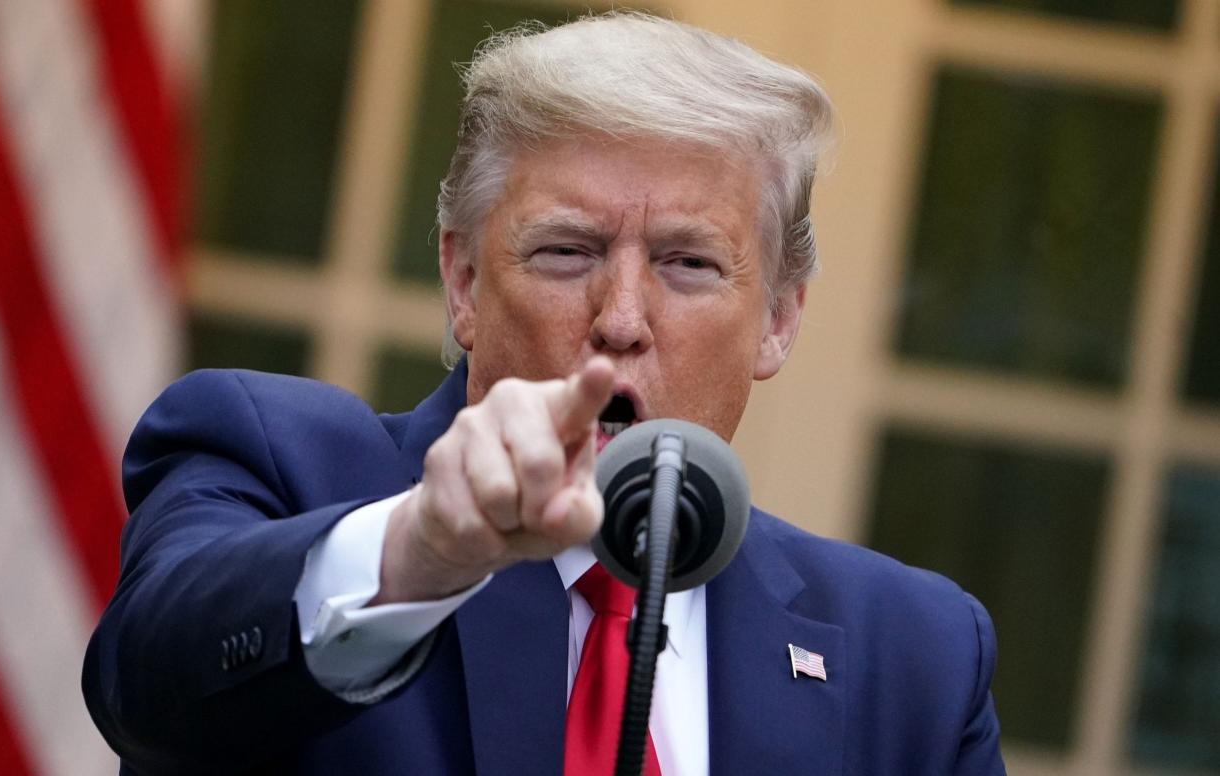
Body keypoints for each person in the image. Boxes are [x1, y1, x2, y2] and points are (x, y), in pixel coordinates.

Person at [82, 12, 1005, 775]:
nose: (621, 319)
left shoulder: (915, 657)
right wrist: (422, 551)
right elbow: (144, 683)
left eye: (689, 264)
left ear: (779, 319)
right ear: (462, 281)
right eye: (567, 252)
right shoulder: (277, 458)